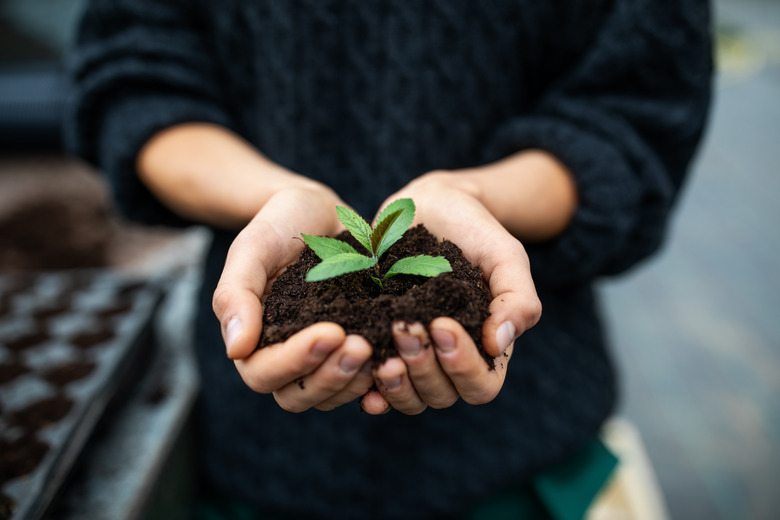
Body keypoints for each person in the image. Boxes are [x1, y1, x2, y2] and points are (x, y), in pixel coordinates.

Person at [65, 1, 713, 518]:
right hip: (251, 456)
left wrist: (476, 195)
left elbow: (636, 111)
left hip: (521, 453)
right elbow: (135, 78)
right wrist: (273, 198)